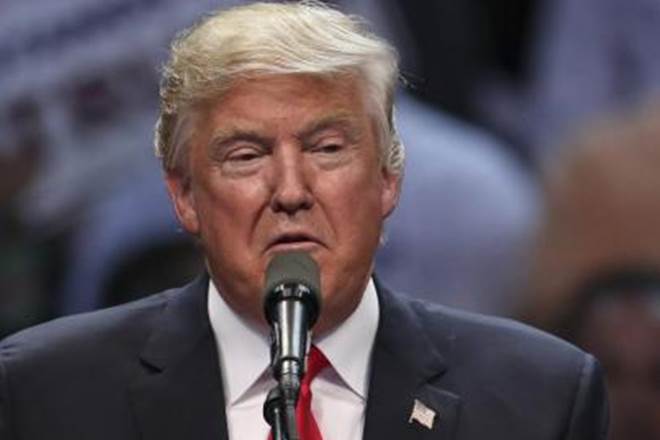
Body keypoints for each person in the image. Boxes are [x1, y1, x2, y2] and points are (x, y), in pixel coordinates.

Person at [0, 2, 607, 439]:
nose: (290, 192)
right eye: (247, 156)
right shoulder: (45, 393)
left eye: (327, 149)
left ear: (388, 179)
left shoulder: (538, 399)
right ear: (184, 195)